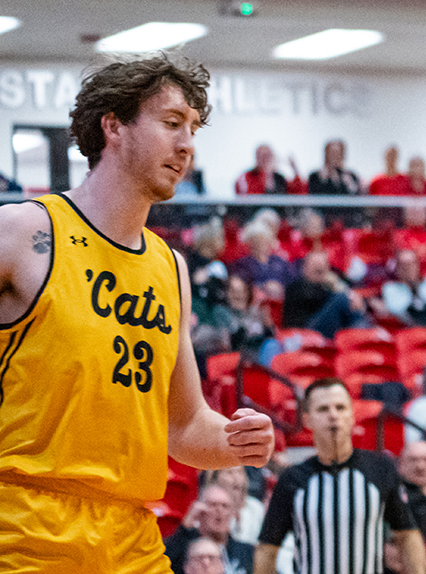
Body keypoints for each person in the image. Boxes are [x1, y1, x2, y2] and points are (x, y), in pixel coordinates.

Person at [0, 53, 277, 572]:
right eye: (172, 123)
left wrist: (238, 441)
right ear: (114, 127)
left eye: (192, 129)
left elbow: (187, 424)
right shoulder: (22, 234)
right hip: (24, 532)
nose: (186, 144)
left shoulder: (170, 269)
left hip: (131, 538)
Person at [258, 379, 425, 574]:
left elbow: (407, 535)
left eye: (340, 407)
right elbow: (267, 549)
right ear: (307, 420)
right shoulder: (292, 479)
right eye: (323, 409)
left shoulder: (380, 469)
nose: (333, 415)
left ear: (352, 415)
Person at [165, 482, 257, 574]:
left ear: (232, 513)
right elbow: (164, 561)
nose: (219, 510)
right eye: (213, 505)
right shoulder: (183, 547)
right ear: (199, 510)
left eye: (224, 506)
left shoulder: (246, 552)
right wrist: (185, 527)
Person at [380, 248, 426, 331]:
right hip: (409, 331)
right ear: (397, 266)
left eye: (410, 264)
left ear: (417, 264)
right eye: (403, 265)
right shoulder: (389, 289)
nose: (407, 268)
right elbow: (393, 314)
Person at [234, 144, 304, 196]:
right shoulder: (247, 176)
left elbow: (298, 194)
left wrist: (294, 169)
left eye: (268, 156)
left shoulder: (278, 177)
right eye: (263, 156)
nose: (266, 160)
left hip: (279, 215)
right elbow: (253, 197)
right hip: (258, 214)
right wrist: (268, 174)